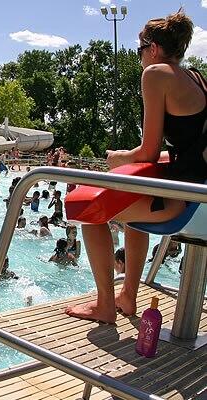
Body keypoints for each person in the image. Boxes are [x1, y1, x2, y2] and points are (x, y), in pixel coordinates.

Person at [67, 9, 207, 323]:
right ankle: (127, 296)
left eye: (140, 49)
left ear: (153, 49)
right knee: (132, 212)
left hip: (187, 202)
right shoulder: (196, 78)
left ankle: (105, 306)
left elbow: (148, 151)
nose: (140, 57)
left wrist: (119, 157)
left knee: (89, 211)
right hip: (200, 194)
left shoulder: (157, 74)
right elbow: (192, 149)